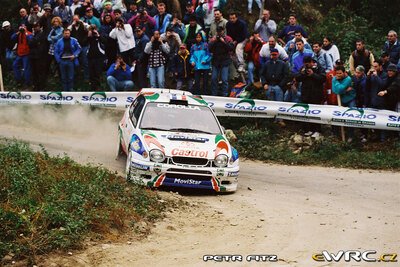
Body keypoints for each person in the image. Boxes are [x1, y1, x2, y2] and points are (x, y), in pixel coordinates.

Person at [294, 56, 326, 137]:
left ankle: (317, 130)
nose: (307, 66)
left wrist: (313, 74)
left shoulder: (319, 67)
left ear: (312, 62)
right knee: (306, 113)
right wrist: (302, 73)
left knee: (316, 113)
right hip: (306, 94)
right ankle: (308, 129)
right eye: (305, 64)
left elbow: (323, 79)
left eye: (308, 64)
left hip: (316, 94)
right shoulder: (303, 68)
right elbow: (297, 78)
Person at [332, 65, 356, 142]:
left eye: (340, 73)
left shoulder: (348, 79)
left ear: (344, 72)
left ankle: (351, 136)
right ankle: (336, 134)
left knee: (350, 116)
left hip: (350, 99)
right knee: (337, 116)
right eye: (337, 73)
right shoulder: (335, 78)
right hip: (341, 100)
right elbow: (335, 91)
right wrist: (344, 90)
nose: (338, 75)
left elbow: (339, 89)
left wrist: (341, 89)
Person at [209, 26, 234, 96]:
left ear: (223, 31)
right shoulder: (214, 39)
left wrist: (224, 42)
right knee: (214, 78)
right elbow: (209, 49)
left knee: (224, 79)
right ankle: (214, 94)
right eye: (218, 31)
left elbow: (231, 48)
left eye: (221, 31)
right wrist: (213, 41)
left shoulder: (228, 38)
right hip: (216, 61)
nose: (220, 33)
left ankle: (225, 94)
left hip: (225, 61)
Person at [366, 60, 387, 142]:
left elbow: (383, 85)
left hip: (381, 101)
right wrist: (368, 77)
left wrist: (376, 76)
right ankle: (375, 136)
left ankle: (383, 138)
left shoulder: (384, 75)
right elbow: (367, 87)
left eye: (376, 66)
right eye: (373, 66)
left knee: (382, 119)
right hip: (372, 100)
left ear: (380, 67)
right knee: (374, 120)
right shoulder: (372, 75)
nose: (374, 68)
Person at [28, 22, 48, 91]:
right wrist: (33, 41)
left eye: (37, 26)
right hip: (33, 56)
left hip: (40, 57)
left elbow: (33, 42)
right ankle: (36, 86)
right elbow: (30, 43)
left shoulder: (42, 34)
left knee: (40, 72)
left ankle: (42, 87)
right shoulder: (34, 34)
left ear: (40, 27)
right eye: (34, 27)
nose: (36, 28)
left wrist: (33, 42)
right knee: (34, 72)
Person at [69, 15, 90, 80]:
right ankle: (76, 77)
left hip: (84, 46)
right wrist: (72, 24)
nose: (76, 21)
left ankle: (86, 77)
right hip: (75, 47)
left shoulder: (83, 25)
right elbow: (67, 30)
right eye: (74, 20)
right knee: (75, 63)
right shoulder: (72, 26)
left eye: (77, 19)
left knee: (85, 62)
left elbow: (90, 27)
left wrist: (82, 22)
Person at [87, 24, 106, 91]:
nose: (92, 30)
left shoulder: (98, 35)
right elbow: (84, 43)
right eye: (91, 29)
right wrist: (88, 36)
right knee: (91, 74)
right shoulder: (88, 37)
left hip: (99, 57)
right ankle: (92, 88)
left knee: (98, 73)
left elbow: (104, 41)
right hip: (90, 57)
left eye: (94, 29)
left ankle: (99, 88)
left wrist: (98, 35)